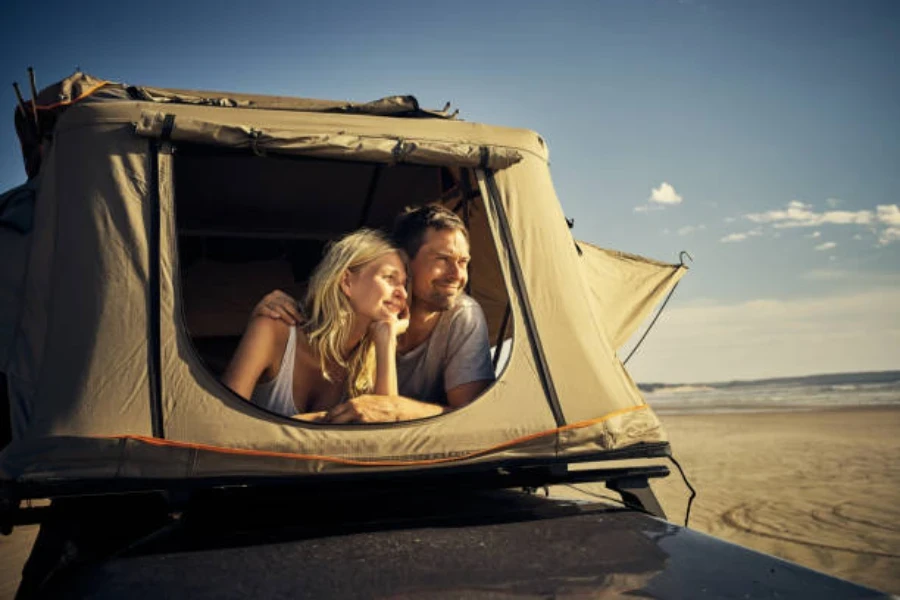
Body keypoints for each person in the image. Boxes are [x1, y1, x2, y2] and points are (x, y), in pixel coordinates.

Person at [254, 204, 495, 423]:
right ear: (404, 261)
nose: (457, 274)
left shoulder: (463, 316)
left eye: (463, 262)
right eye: (443, 259)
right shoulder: (360, 322)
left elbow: (471, 415)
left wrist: (399, 409)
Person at [221, 229, 409, 420]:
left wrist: (387, 340)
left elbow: (384, 435)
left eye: (403, 284)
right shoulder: (273, 328)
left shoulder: (369, 359)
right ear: (347, 282)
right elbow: (223, 419)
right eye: (389, 278)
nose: (403, 294)